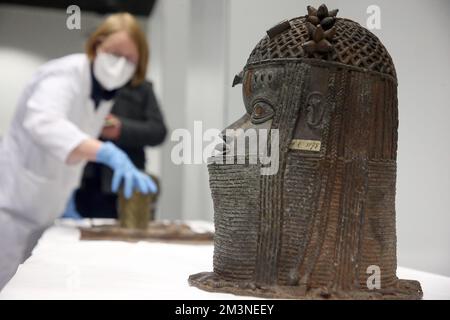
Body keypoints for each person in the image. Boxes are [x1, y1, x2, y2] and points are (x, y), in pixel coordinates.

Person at [0, 13, 156, 290]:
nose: (120, 64)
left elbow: (73, 148)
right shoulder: (63, 74)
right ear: (96, 46)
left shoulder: (104, 96)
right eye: (113, 53)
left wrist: (67, 194)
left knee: (28, 287)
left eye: (130, 59)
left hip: (47, 209)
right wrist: (108, 153)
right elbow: (44, 123)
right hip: (13, 208)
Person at [71, 79, 166, 219]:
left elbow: (158, 131)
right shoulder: (84, 84)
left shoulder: (141, 89)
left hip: (125, 183)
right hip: (85, 180)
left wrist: (122, 129)